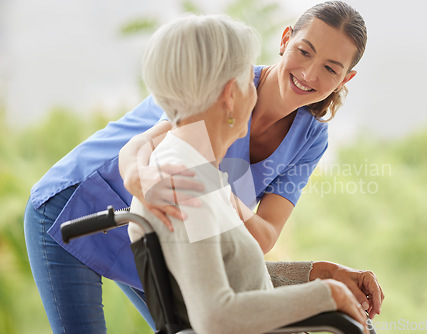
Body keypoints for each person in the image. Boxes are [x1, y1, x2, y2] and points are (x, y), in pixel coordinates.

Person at [23, 2, 383, 333]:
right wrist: (140, 177)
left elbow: (259, 240)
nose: (308, 72)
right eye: (304, 51)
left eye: (330, 68)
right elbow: (145, 144)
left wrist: (318, 274)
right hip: (75, 205)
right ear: (286, 39)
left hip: (162, 227)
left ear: (345, 78)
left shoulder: (308, 138)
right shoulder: (220, 83)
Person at [128, 13, 369, 333]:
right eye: (248, 81)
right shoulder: (187, 179)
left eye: (329, 67)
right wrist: (326, 295)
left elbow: (236, 269)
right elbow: (215, 316)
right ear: (230, 93)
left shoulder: (200, 171)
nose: (256, 89)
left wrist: (318, 275)